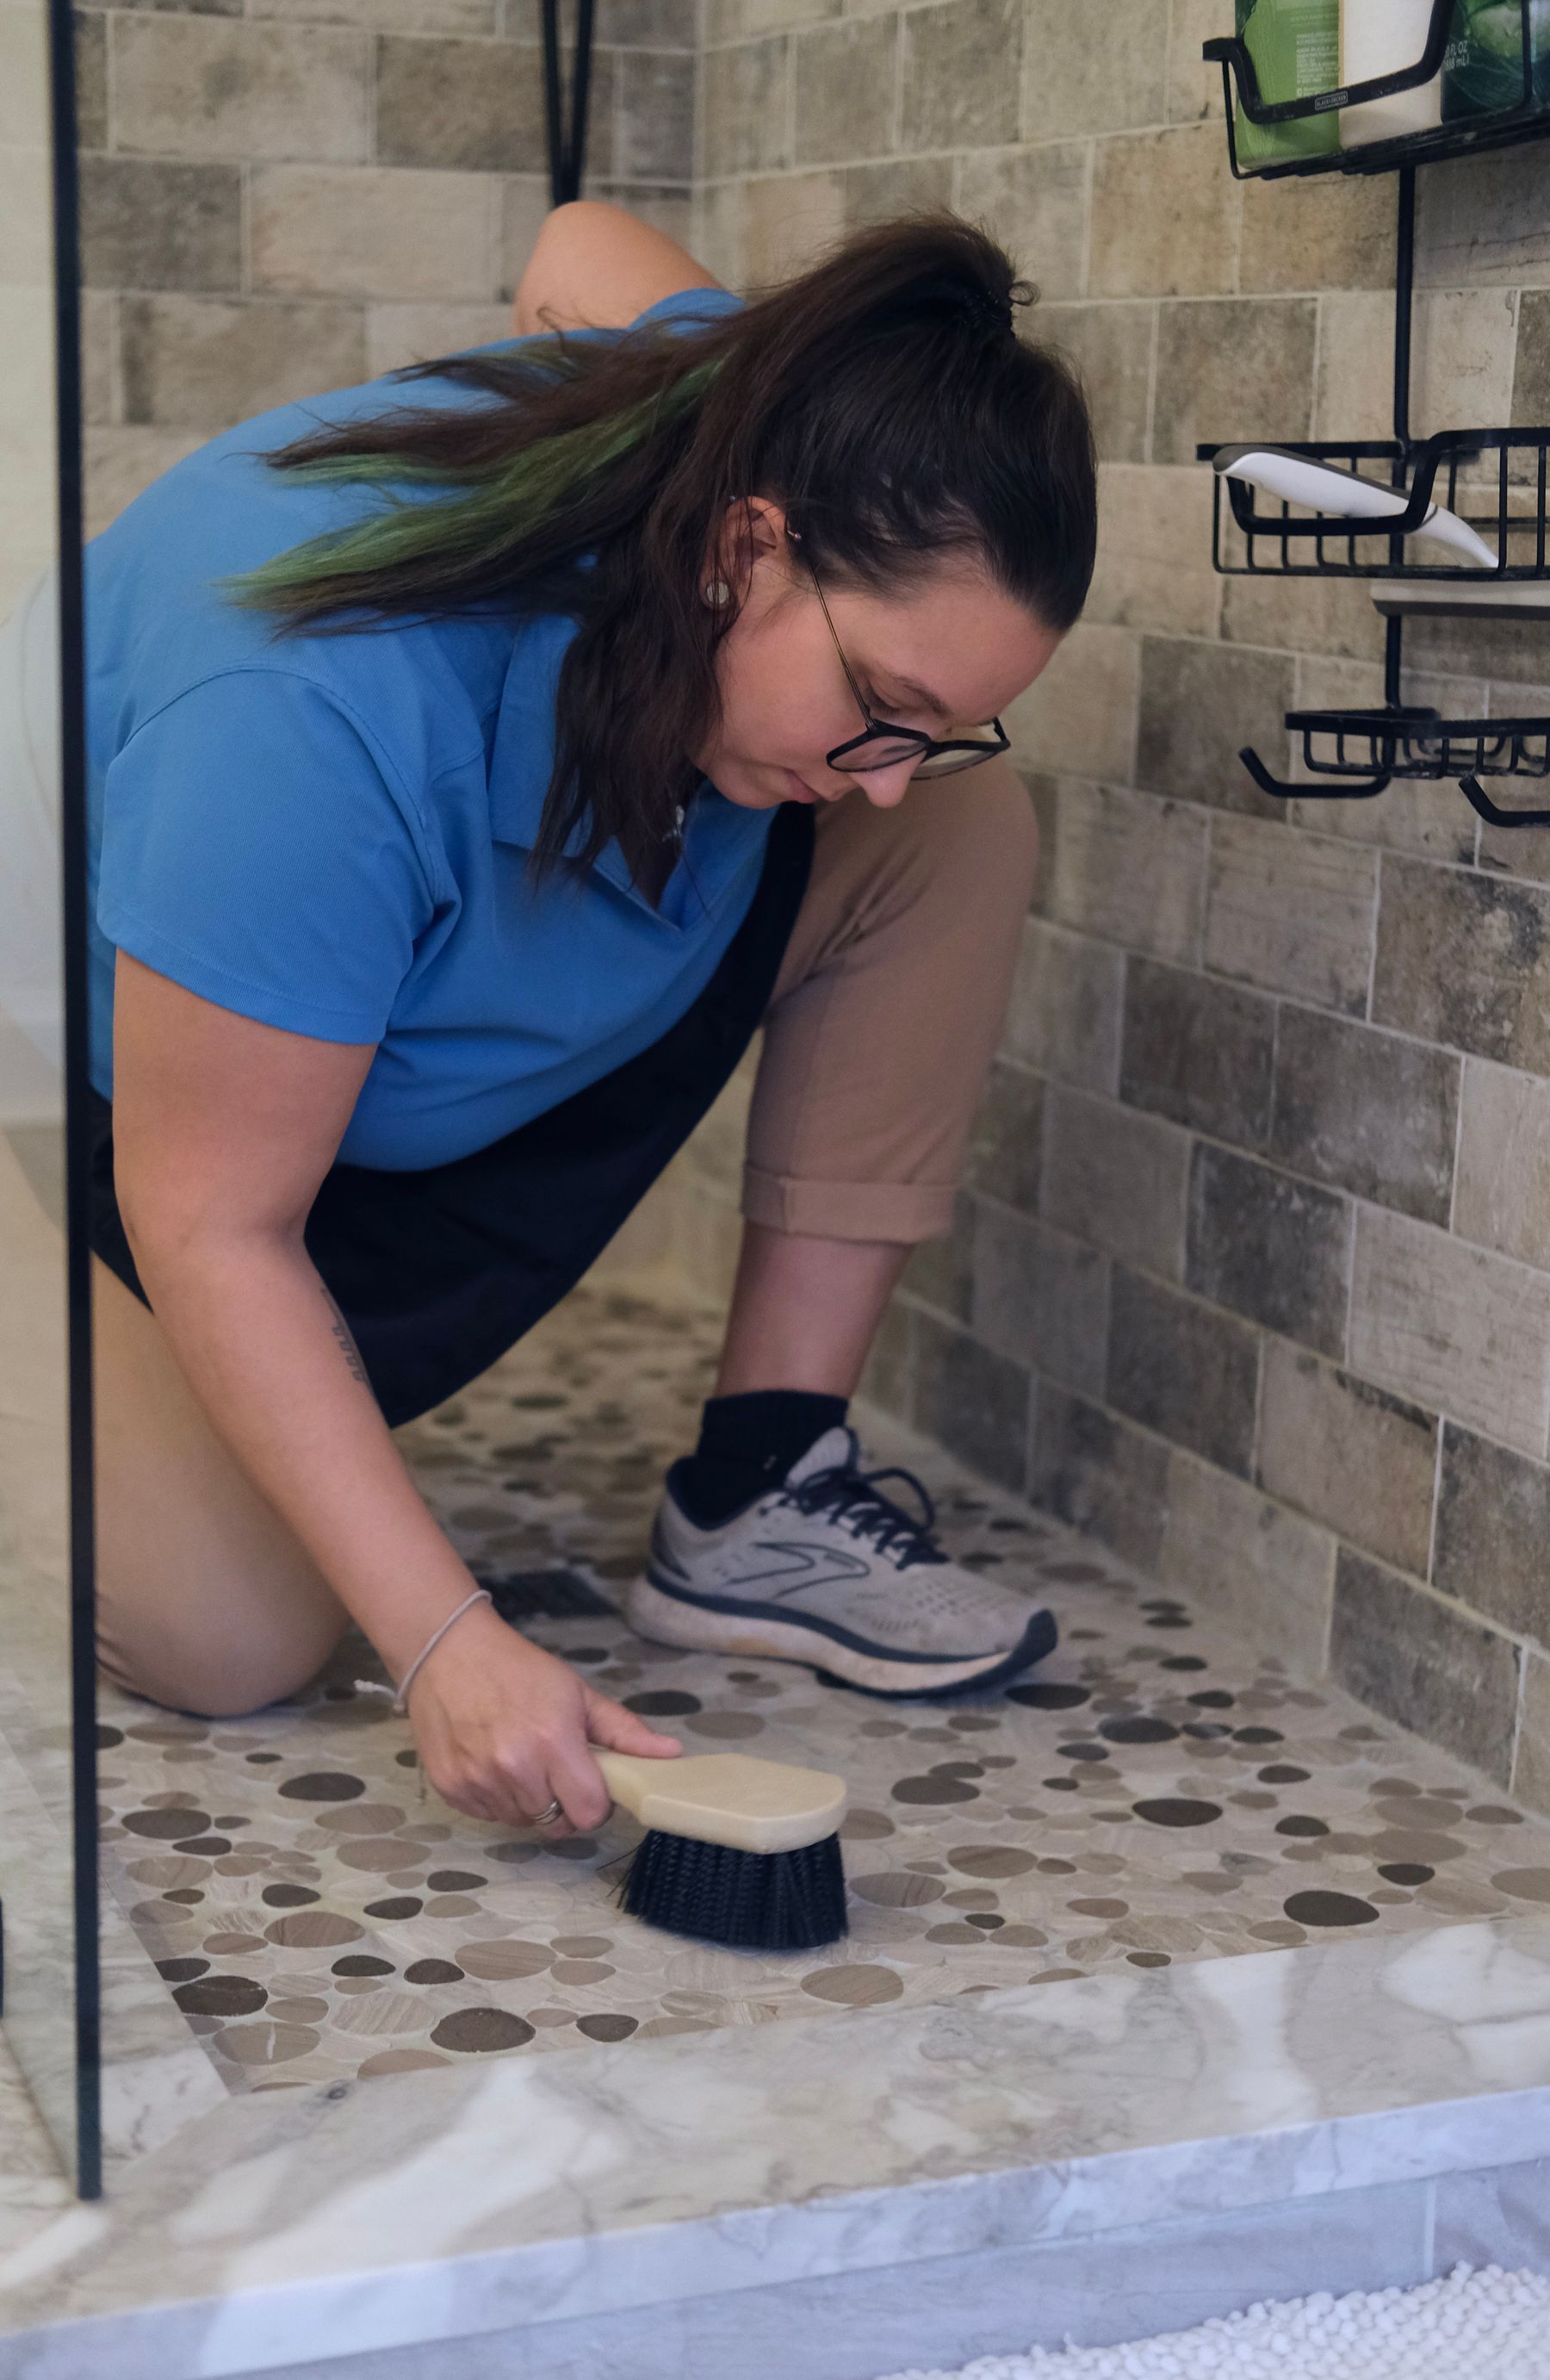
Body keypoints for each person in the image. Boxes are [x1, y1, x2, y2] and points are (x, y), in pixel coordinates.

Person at [78, 202, 1097, 1839]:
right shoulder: (304, 717)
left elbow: (578, 240)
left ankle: (762, 1485)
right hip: (78, 1087)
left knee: (961, 830)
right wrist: (445, 1644)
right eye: (883, 709)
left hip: (378, 1053)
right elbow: (209, 1218)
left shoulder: (744, 405)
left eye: (943, 724)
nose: (890, 769)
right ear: (744, 551)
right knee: (227, 1636)